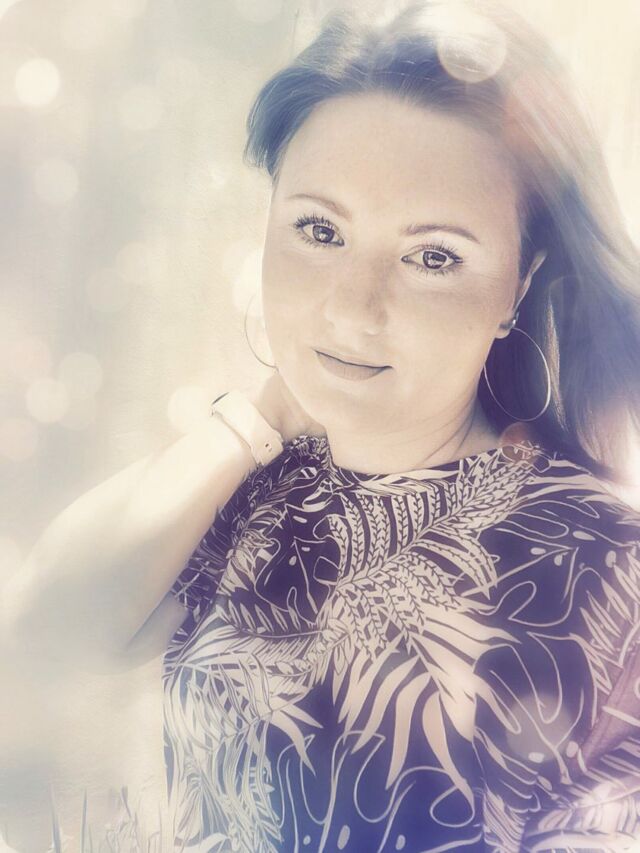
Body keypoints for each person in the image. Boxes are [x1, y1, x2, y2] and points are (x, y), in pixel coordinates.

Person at [4, 0, 640, 851]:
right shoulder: (253, 492)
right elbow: (40, 641)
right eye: (319, 229)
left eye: (433, 256)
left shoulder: (602, 561)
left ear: (517, 286)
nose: (352, 308)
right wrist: (263, 413)